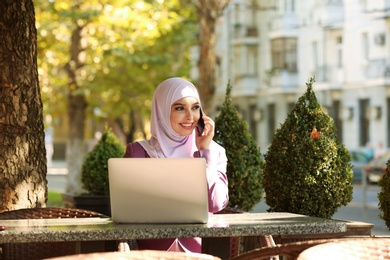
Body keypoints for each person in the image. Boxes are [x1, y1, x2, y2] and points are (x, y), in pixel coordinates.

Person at [123, 77, 229, 252]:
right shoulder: (138, 152)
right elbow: (126, 209)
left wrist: (204, 153)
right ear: (162, 110)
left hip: (202, 250)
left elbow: (215, 203)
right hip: (153, 252)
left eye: (195, 108)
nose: (190, 116)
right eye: (180, 108)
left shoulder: (214, 151)